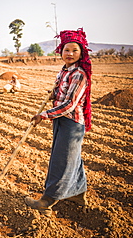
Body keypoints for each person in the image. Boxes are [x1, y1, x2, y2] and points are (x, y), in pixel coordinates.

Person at [25, 28, 92, 216]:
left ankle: (48, 200)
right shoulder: (64, 71)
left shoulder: (79, 74)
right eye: (66, 50)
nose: (70, 54)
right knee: (72, 158)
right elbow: (62, 94)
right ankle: (77, 194)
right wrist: (53, 94)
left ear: (81, 53)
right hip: (62, 120)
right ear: (60, 51)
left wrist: (43, 115)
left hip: (72, 123)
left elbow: (70, 104)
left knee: (62, 160)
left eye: (74, 50)